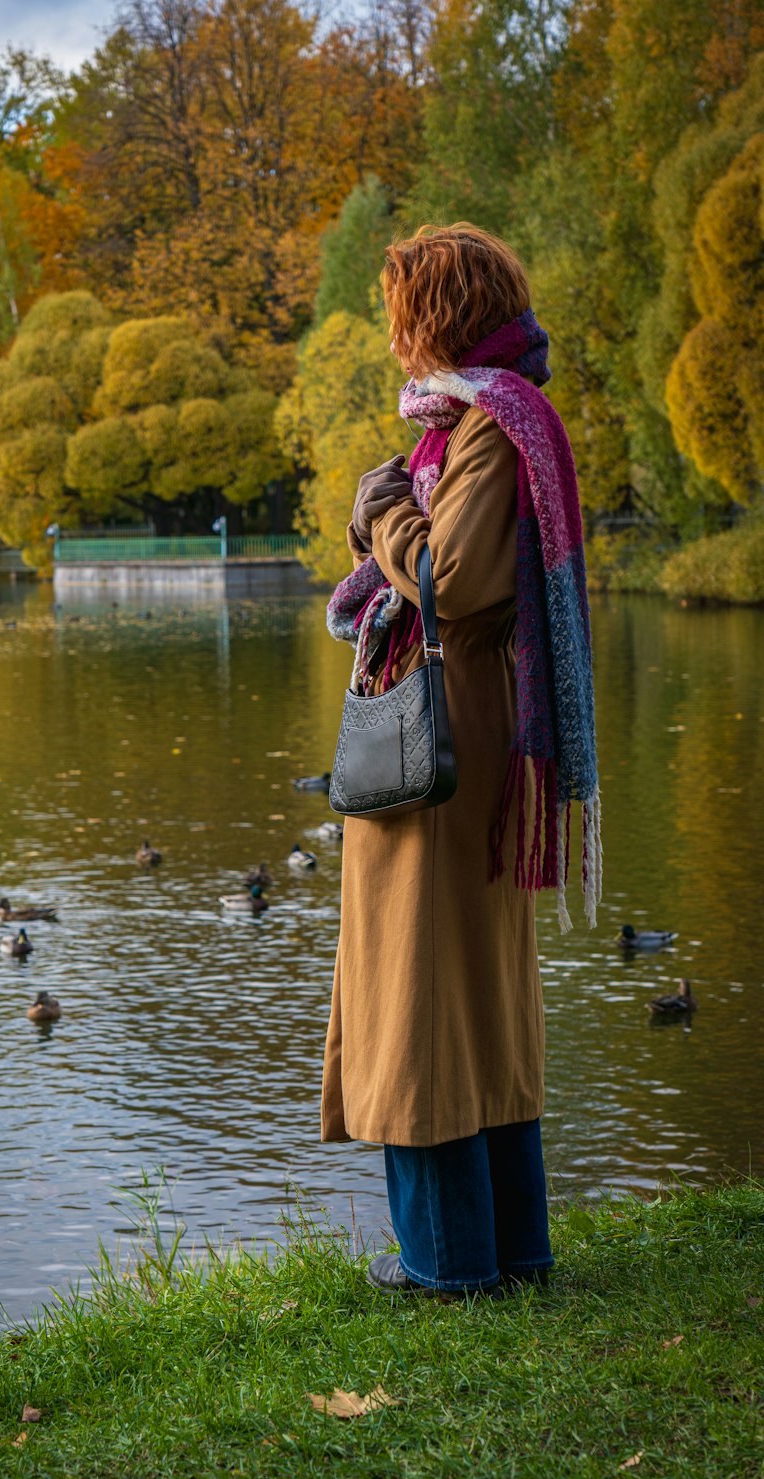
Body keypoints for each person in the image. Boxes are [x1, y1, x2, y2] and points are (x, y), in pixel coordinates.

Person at [321, 223, 601, 1299]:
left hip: (447, 739)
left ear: (434, 313)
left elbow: (459, 580)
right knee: (471, 991)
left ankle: (448, 1261)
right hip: (471, 726)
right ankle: (508, 1248)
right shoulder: (487, 419)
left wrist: (382, 508)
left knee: (424, 992)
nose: (395, 336)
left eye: (401, 310)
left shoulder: (490, 425)